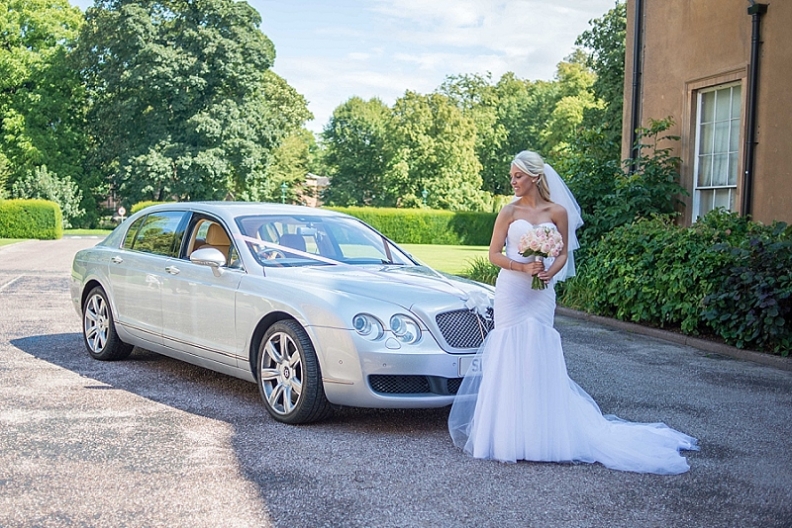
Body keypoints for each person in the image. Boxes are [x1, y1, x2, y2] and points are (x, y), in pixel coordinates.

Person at [448, 150, 699, 474]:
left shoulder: (557, 212)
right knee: (508, 347)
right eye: (512, 176)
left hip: (541, 294)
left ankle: (541, 435)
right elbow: (494, 253)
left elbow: (564, 252)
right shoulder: (508, 212)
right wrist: (520, 266)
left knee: (539, 349)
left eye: (518, 176)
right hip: (512, 290)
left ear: (535, 177)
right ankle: (504, 434)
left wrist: (550, 272)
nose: (513, 181)